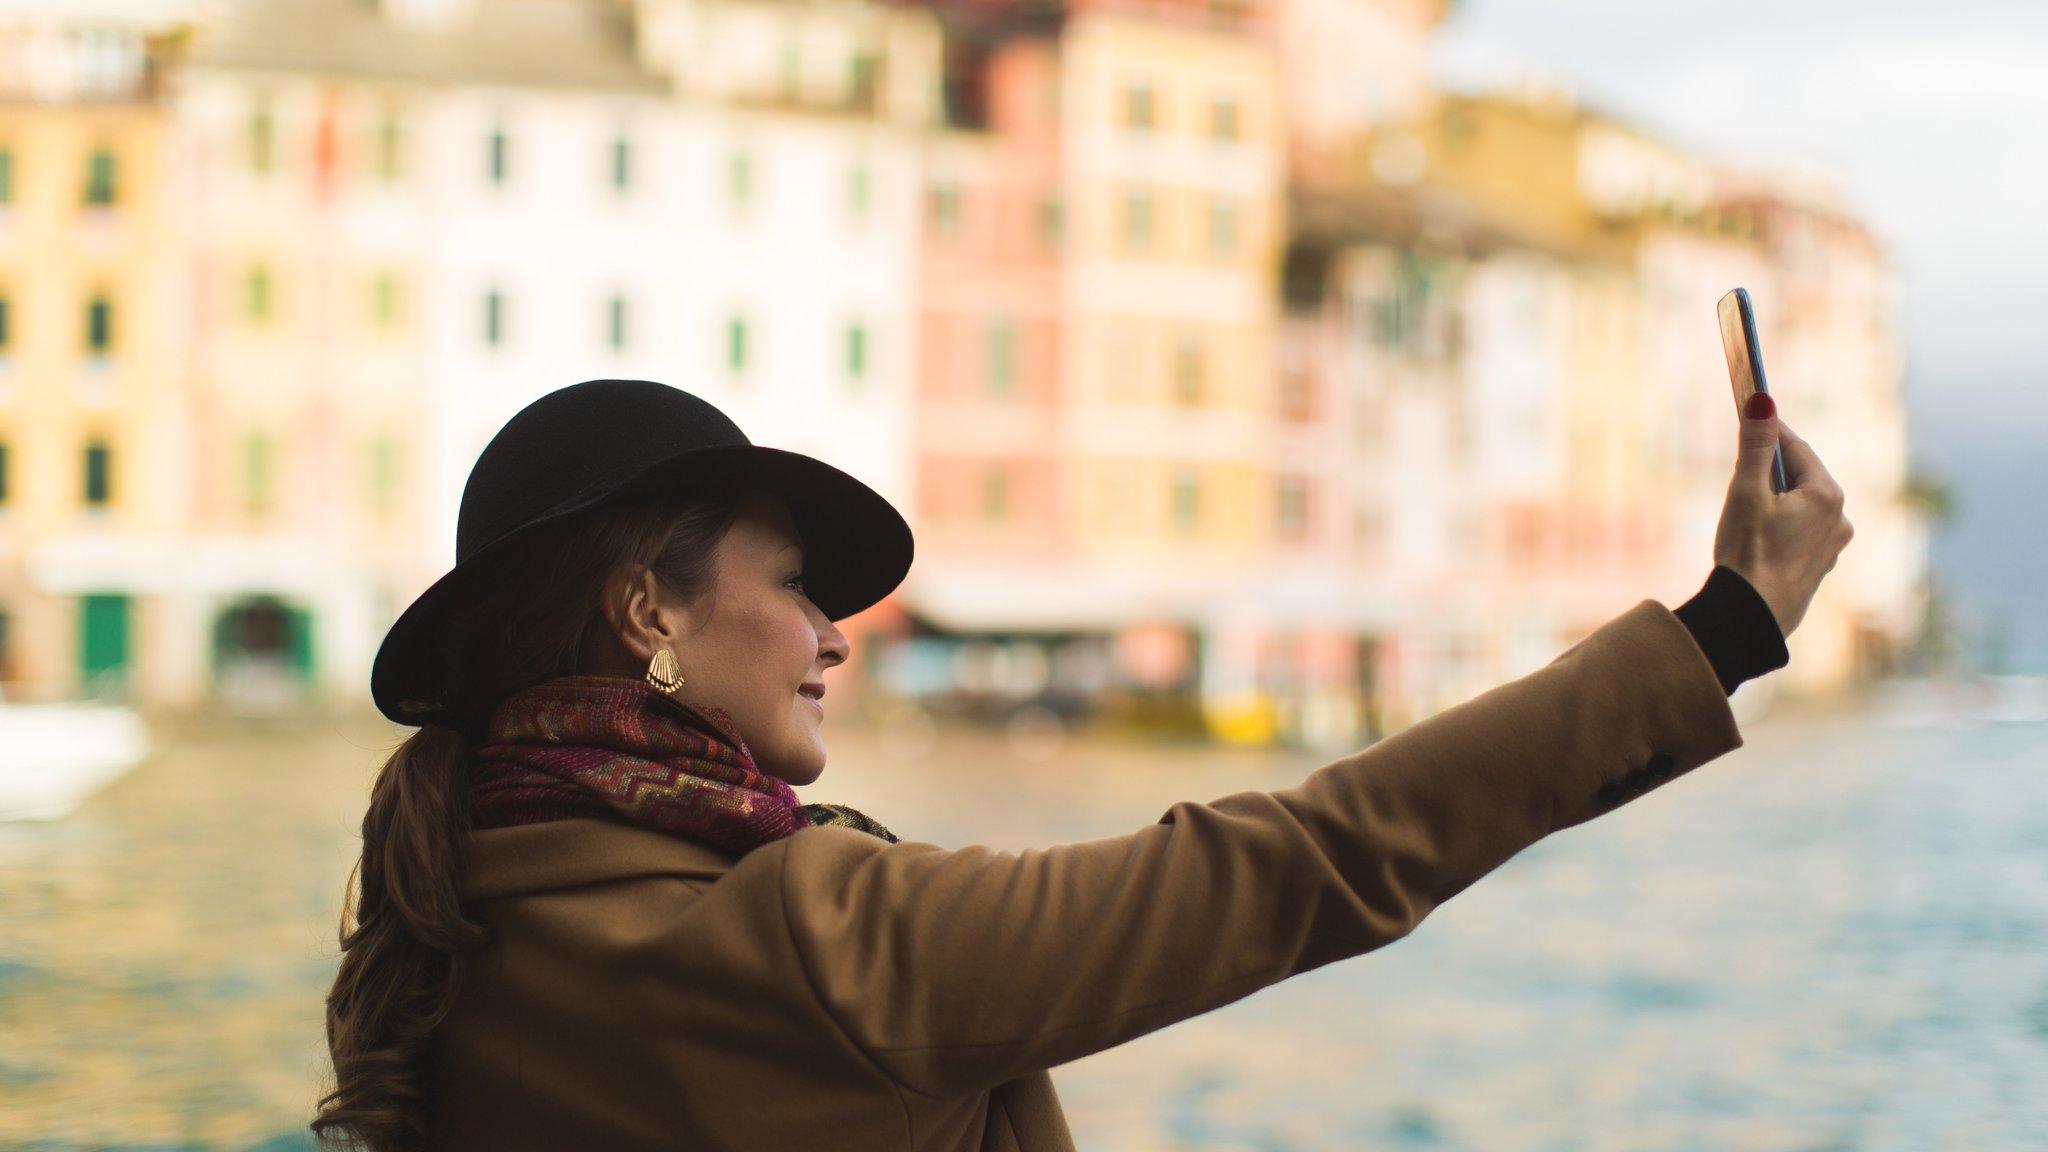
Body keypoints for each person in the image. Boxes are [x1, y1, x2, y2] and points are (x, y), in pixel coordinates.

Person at [311, 379, 1851, 1151]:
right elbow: (1307, 860)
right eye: (794, 585)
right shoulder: (808, 944)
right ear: (646, 608)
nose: (832, 634)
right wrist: (1722, 630)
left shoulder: (452, 931)